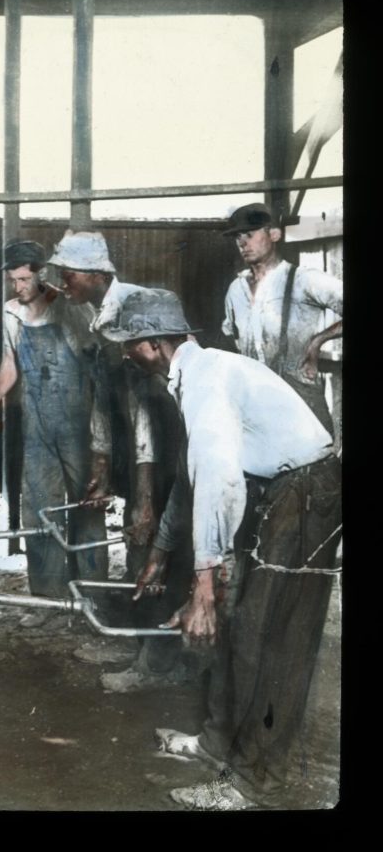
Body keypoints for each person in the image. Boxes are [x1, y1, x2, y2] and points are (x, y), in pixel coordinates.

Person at [102, 287, 341, 810]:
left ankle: (257, 782)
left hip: (305, 495)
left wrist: (204, 581)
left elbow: (218, 479)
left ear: (158, 344)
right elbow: (192, 480)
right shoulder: (196, 375)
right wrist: (163, 551)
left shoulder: (206, 382)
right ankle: (217, 744)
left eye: (132, 344)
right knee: (243, 628)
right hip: (282, 492)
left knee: (270, 636)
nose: (126, 354)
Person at [47, 229, 186, 692]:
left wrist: (145, 496)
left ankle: (156, 663)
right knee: (139, 544)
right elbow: (104, 401)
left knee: (157, 545)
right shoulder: (90, 311)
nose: (61, 283)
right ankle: (142, 645)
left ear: (93, 273)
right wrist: (103, 470)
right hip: (136, 446)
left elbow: (143, 411)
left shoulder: (136, 307)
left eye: (66, 274)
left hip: (166, 446)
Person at [0, 240, 108, 605]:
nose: (17, 287)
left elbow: (95, 371)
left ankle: (92, 596)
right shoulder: (11, 313)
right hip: (36, 424)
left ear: (42, 274)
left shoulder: (72, 310)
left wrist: (100, 435)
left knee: (86, 506)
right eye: (12, 280)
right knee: (38, 507)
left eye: (23, 280)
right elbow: (9, 364)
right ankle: (47, 597)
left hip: (77, 425)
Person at [221, 202, 342, 435]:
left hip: (301, 404)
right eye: (237, 237)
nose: (242, 243)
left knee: (312, 469)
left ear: (274, 234)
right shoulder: (235, 290)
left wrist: (318, 341)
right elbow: (229, 339)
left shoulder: (303, 280)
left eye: (249, 234)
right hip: (256, 404)